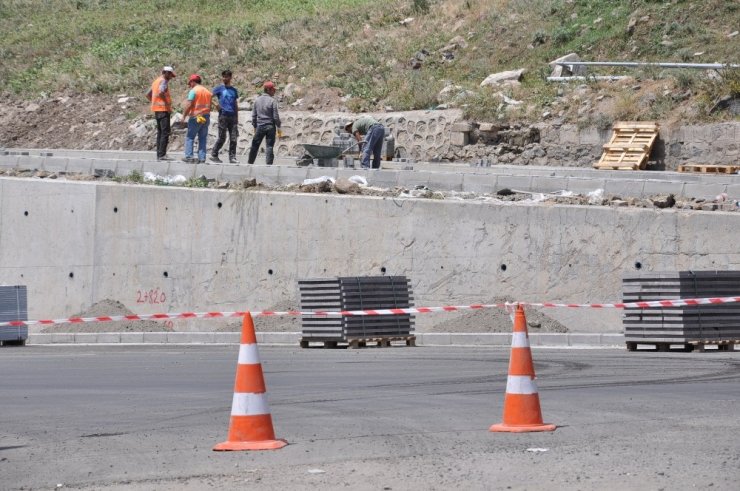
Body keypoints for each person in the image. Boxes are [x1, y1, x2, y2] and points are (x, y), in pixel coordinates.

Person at [146, 66, 176, 161]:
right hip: (163, 109)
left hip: (156, 109)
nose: (171, 77)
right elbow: (161, 93)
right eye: (170, 75)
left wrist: (154, 101)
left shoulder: (156, 81)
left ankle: (159, 154)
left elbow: (147, 94)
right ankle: (162, 155)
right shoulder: (163, 81)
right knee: (165, 132)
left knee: (160, 132)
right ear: (166, 73)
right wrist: (167, 105)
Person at [181, 74, 213, 164]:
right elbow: (210, 105)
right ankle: (202, 158)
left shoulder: (193, 91)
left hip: (196, 116)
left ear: (192, 82)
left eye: (190, 83)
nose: (190, 85)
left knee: (190, 137)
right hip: (206, 117)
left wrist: (184, 116)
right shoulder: (207, 92)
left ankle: (189, 157)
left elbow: (189, 104)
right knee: (202, 138)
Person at [248, 81, 281, 165]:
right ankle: (268, 166)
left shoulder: (257, 100)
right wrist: (279, 126)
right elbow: (275, 116)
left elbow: (254, 115)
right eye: (273, 90)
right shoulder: (273, 101)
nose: (274, 91)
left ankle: (250, 164)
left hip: (260, 126)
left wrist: (255, 126)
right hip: (270, 127)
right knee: (269, 146)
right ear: (268, 90)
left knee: (255, 146)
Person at [210, 70, 240, 164]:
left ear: (230, 78)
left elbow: (235, 104)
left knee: (233, 138)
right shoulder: (219, 88)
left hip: (233, 117)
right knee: (222, 137)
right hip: (223, 115)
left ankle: (232, 157)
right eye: (223, 76)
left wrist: (237, 117)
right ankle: (214, 154)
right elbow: (209, 96)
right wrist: (216, 105)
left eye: (226, 77)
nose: (224, 78)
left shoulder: (234, 90)